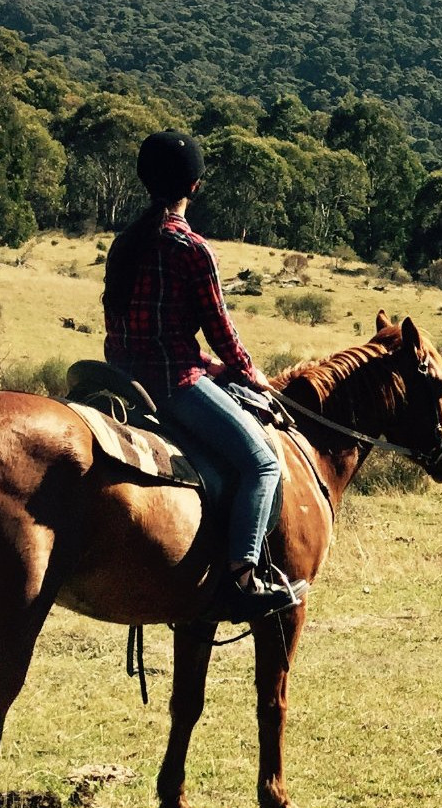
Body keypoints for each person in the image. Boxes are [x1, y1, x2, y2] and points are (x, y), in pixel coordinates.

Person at [103, 130, 308, 623]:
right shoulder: (190, 248)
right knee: (261, 463)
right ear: (194, 186)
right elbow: (221, 330)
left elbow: (121, 323)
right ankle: (243, 577)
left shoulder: (124, 243)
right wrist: (247, 371)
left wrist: (204, 362)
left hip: (118, 377)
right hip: (172, 385)